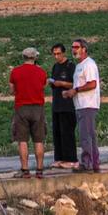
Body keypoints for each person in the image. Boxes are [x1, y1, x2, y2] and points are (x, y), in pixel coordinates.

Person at [8, 46, 49, 177]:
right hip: (38, 108)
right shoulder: (41, 72)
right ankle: (39, 170)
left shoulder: (15, 72)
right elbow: (44, 86)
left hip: (21, 107)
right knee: (38, 140)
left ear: (23, 57)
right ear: (35, 57)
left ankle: (25, 170)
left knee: (22, 140)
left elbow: (12, 90)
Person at [70, 38, 101, 172]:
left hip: (87, 104)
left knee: (85, 135)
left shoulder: (88, 64)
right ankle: (94, 164)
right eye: (73, 47)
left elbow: (92, 84)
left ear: (84, 49)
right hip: (81, 104)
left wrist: (75, 90)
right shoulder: (79, 66)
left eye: (76, 47)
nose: (74, 49)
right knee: (90, 135)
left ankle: (87, 163)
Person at [48, 41, 78, 169]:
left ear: (63, 53)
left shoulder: (71, 66)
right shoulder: (55, 67)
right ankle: (59, 158)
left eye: (58, 54)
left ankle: (71, 159)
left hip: (68, 105)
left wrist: (62, 84)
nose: (56, 56)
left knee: (67, 133)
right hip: (57, 104)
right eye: (54, 54)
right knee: (58, 132)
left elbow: (75, 84)